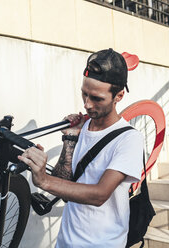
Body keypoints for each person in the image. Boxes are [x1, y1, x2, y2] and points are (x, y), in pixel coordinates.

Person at [18, 48, 144, 247]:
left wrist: (43, 180)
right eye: (84, 94)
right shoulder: (83, 127)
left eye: (96, 98)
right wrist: (70, 139)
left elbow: (100, 194)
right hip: (65, 242)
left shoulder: (129, 139)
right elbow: (64, 182)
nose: (87, 104)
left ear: (119, 96)